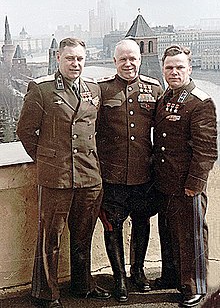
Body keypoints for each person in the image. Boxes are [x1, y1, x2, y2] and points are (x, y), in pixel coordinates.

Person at [17, 37, 111, 308]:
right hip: (56, 177)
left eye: (80, 58)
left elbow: (98, 130)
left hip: (89, 176)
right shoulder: (42, 89)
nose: (76, 63)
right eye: (70, 58)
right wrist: (46, 158)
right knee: (51, 237)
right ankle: (45, 293)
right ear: (58, 59)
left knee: (83, 234)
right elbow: (25, 131)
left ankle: (83, 286)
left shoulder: (93, 88)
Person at [97, 39, 163, 302]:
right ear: (115, 62)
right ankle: (119, 279)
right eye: (123, 59)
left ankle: (138, 272)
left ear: (140, 59)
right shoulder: (102, 89)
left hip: (143, 175)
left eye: (133, 59)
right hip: (112, 176)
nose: (128, 63)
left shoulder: (154, 89)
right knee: (112, 227)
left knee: (142, 223)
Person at [153, 44, 218, 307]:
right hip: (165, 181)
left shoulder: (200, 102)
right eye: (169, 67)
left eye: (180, 67)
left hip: (186, 184)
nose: (174, 72)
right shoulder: (165, 98)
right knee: (168, 233)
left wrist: (194, 184)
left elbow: (206, 151)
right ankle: (172, 277)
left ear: (189, 69)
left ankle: (195, 286)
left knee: (192, 235)